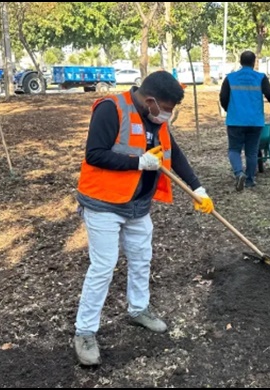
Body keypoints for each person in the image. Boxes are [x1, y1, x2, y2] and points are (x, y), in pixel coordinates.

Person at [73, 71, 215, 366]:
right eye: (167, 108)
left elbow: (174, 153)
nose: (168, 115)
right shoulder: (111, 109)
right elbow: (94, 154)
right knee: (103, 266)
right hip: (103, 204)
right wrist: (138, 162)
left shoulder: (155, 119)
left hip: (138, 205)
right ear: (150, 100)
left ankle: (138, 310)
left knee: (141, 259)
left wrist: (197, 188)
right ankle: (84, 332)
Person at [219, 51, 270, 191]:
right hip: (255, 121)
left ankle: (239, 173)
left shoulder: (230, 78)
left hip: (235, 120)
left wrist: (229, 110)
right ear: (254, 62)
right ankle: (250, 180)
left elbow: (223, 97)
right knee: (252, 152)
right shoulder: (260, 77)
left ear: (240, 62)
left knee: (234, 149)